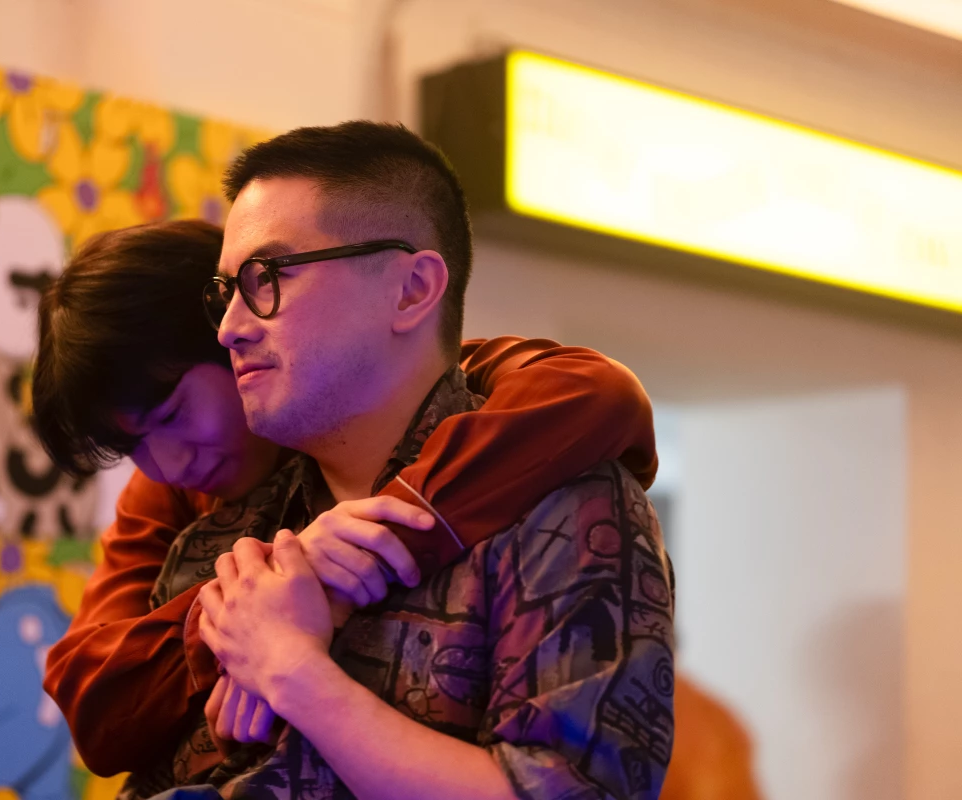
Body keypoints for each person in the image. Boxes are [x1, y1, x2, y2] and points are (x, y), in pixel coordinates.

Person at [137, 121, 676, 799]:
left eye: (266, 276)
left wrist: (291, 672)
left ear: (413, 289)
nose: (230, 328)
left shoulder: (562, 509)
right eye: (227, 292)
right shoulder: (228, 539)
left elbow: (570, 792)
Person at [34, 220, 660, 782]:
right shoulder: (172, 489)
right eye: (132, 445)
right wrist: (252, 609)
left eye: (173, 414)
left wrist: (372, 551)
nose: (168, 462)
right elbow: (95, 702)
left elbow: (598, 393)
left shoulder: (434, 401)